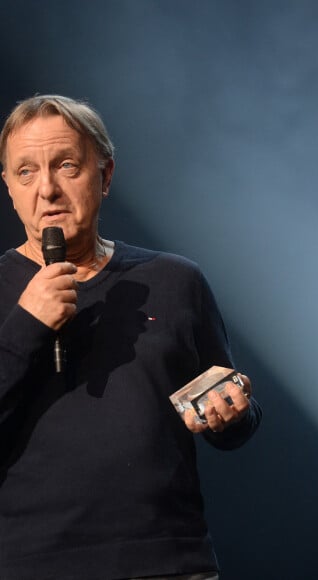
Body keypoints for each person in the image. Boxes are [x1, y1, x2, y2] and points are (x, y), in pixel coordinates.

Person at [0, 94, 262, 580]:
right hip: (32, 565)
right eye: (26, 173)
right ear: (9, 188)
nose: (48, 190)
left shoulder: (173, 281)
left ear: (106, 175)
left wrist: (233, 412)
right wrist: (26, 326)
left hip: (167, 562)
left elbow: (231, 413)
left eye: (67, 165)